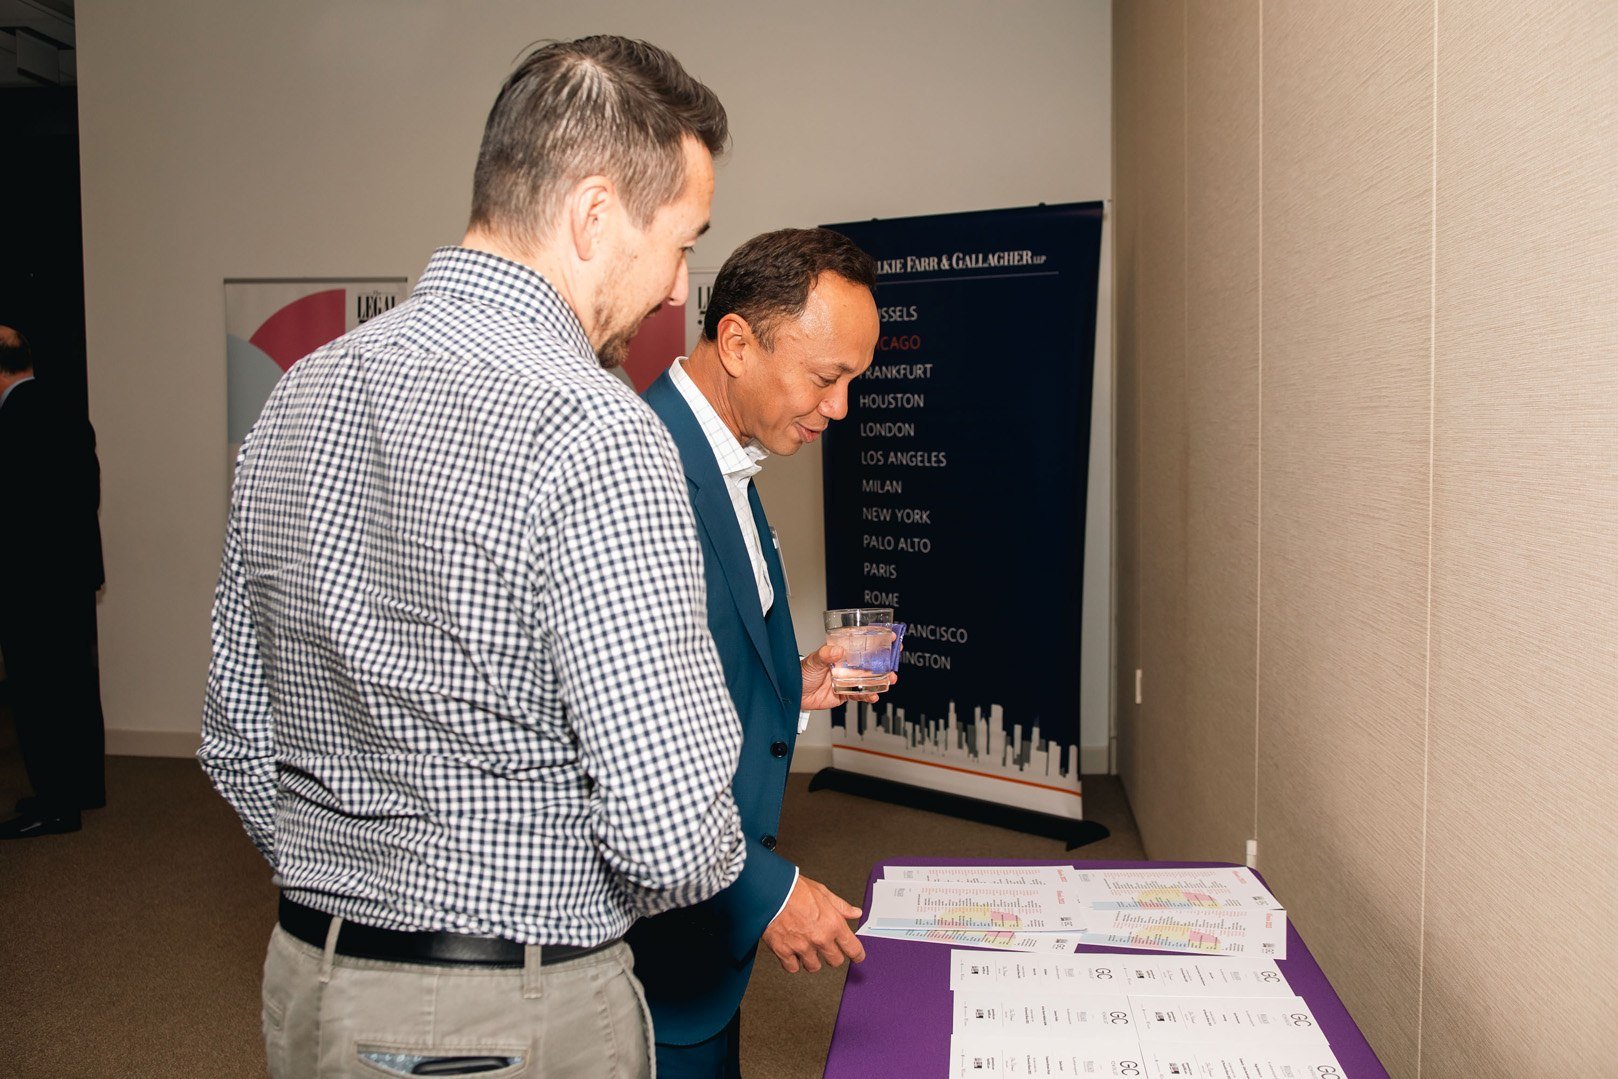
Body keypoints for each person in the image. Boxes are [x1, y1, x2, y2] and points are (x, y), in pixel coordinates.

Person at [199, 37, 748, 1079]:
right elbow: (670, 830)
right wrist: (539, 887)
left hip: (307, 983)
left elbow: (234, 737)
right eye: (681, 243)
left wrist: (360, 882)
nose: (679, 287)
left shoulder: (295, 396)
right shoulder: (596, 428)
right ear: (594, 215)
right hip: (510, 1011)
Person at [629, 228, 884, 1077]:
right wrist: (766, 892)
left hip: (703, 943)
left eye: (853, 381)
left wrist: (787, 684)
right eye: (826, 377)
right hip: (647, 953)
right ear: (738, 344)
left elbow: (686, 657)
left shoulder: (725, 453)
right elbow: (622, 745)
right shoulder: (643, 470)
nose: (840, 408)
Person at [0, 325, 106, 840]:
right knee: (76, 686)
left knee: (40, 695)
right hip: (71, 576)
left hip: (31, 584)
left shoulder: (12, 421)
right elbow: (88, 493)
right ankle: (84, 788)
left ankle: (55, 806)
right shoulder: (66, 407)